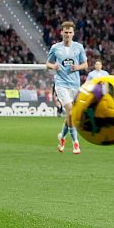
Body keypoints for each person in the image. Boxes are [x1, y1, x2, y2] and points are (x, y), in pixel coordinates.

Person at [46, 21, 88, 154]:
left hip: (75, 85)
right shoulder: (55, 48)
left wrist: (78, 67)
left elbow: (85, 64)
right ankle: (76, 143)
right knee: (70, 111)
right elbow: (48, 63)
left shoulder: (79, 47)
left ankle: (62, 137)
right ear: (61, 32)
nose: (68, 34)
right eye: (66, 32)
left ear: (73, 33)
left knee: (70, 115)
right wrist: (54, 67)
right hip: (61, 84)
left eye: (70, 32)